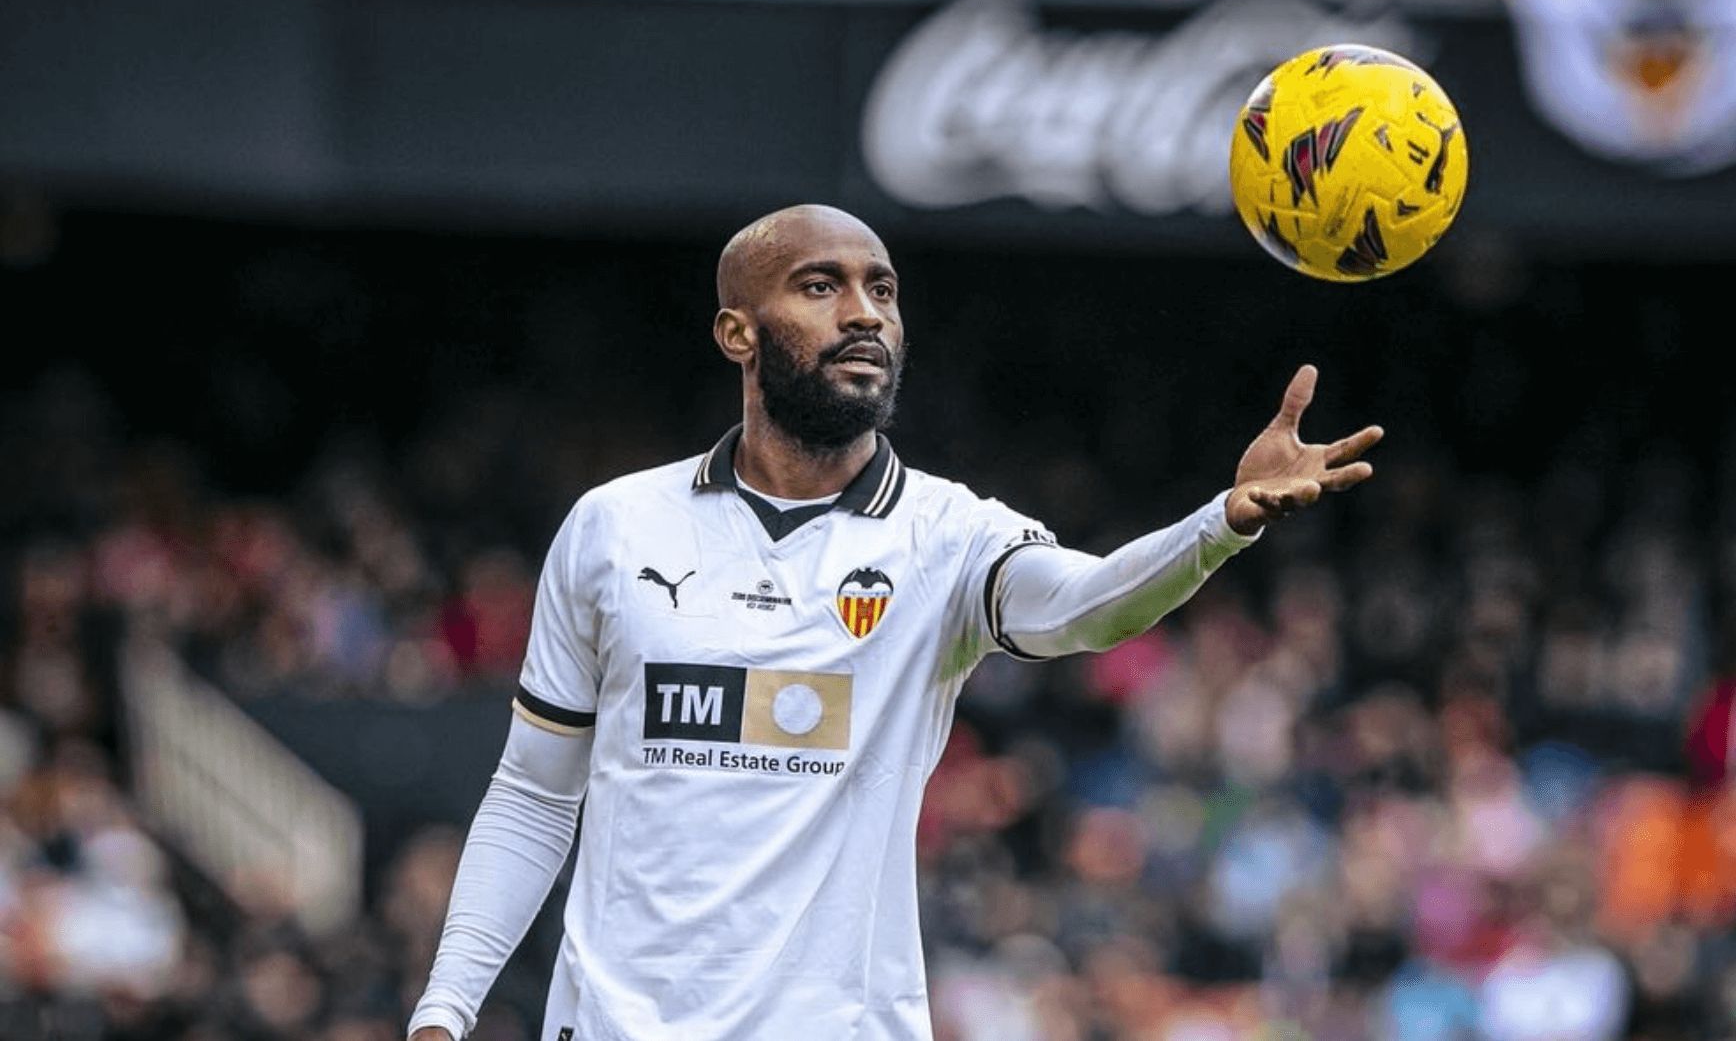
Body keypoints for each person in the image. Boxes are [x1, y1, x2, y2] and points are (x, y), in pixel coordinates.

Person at [406, 204, 1382, 1041]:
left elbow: (1087, 605)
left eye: (882, 287)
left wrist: (1220, 522)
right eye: (821, 286)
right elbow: (535, 795)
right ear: (736, 331)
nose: (865, 311)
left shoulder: (946, 536)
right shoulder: (613, 527)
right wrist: (444, 1007)